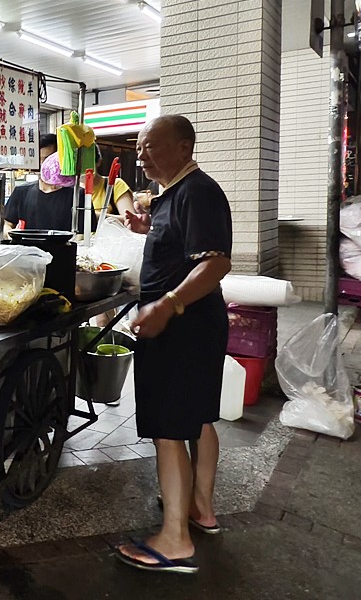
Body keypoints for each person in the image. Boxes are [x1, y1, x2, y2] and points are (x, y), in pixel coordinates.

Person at [115, 115, 232, 575]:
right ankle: (200, 510)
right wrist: (149, 228)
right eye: (140, 147)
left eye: (152, 147)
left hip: (184, 328)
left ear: (184, 148)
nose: (142, 155)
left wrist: (166, 305)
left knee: (169, 430)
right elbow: (183, 246)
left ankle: (174, 540)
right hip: (192, 326)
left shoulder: (198, 191)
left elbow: (216, 263)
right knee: (198, 419)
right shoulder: (173, 194)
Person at [3, 134, 83, 237]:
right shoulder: (21, 192)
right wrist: (10, 235)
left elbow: (85, 234)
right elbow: (7, 224)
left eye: (47, 160)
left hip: (63, 252)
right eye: (37, 161)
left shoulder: (78, 195)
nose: (42, 165)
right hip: (29, 252)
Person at [84, 147, 137, 227]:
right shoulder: (71, 191)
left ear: (98, 162)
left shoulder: (115, 185)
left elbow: (131, 220)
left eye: (86, 162)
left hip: (109, 238)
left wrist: (91, 216)